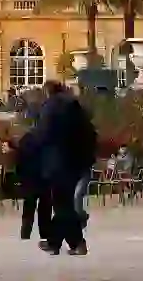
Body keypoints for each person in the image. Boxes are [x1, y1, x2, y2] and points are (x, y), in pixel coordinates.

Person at [31, 80, 95, 256]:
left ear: (47, 92)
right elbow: (90, 133)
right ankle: (66, 243)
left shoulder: (50, 108)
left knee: (62, 204)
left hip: (58, 162)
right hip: (77, 162)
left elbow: (42, 135)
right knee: (63, 203)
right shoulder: (75, 107)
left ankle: (67, 243)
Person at [14, 130, 51, 242]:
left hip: (29, 178)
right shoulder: (48, 138)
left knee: (28, 208)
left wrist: (20, 176)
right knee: (45, 208)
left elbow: (19, 160)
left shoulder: (25, 139)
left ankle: (25, 233)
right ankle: (45, 234)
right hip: (45, 178)